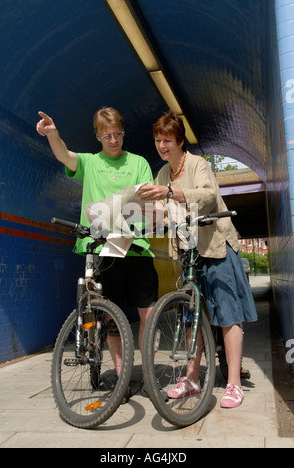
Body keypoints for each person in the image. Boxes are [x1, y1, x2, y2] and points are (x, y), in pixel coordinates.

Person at [36, 107, 158, 403]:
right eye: (107, 135)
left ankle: (151, 375)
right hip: (105, 246)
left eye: (118, 133)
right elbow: (64, 155)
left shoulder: (139, 162)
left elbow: (147, 196)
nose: (114, 140)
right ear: (98, 136)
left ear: (122, 132)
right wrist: (53, 133)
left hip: (136, 245)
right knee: (112, 317)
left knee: (148, 313)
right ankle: (122, 376)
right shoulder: (90, 162)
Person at [139, 111, 258, 409]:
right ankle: (192, 378)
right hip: (188, 250)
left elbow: (206, 196)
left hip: (216, 245)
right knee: (191, 315)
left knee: (228, 313)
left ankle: (233, 383)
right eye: (157, 141)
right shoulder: (163, 173)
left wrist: (171, 193)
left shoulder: (198, 164)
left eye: (167, 140)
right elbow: (160, 210)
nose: (162, 146)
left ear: (179, 141)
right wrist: (141, 210)